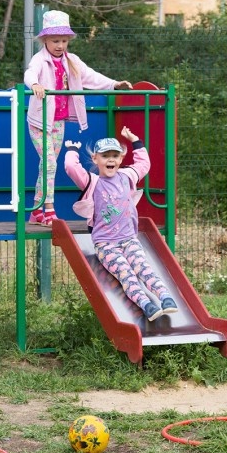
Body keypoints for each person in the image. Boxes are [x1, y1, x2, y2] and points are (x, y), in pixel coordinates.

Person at [24, 10, 132, 227]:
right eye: (55, 40)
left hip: (58, 120)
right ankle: (49, 211)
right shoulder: (40, 59)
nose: (60, 45)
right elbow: (30, 73)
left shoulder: (71, 61)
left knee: (47, 165)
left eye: (64, 41)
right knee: (50, 163)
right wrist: (34, 85)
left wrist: (114, 84)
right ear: (45, 39)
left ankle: (36, 211)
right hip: (39, 121)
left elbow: (91, 76)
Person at [64, 126, 179, 321]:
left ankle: (166, 298)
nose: (110, 159)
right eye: (105, 156)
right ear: (96, 160)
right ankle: (146, 305)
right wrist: (72, 151)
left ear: (120, 159)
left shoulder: (127, 176)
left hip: (128, 239)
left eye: (115, 156)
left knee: (144, 268)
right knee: (126, 274)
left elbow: (144, 164)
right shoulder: (92, 182)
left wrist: (135, 141)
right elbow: (72, 169)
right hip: (105, 243)